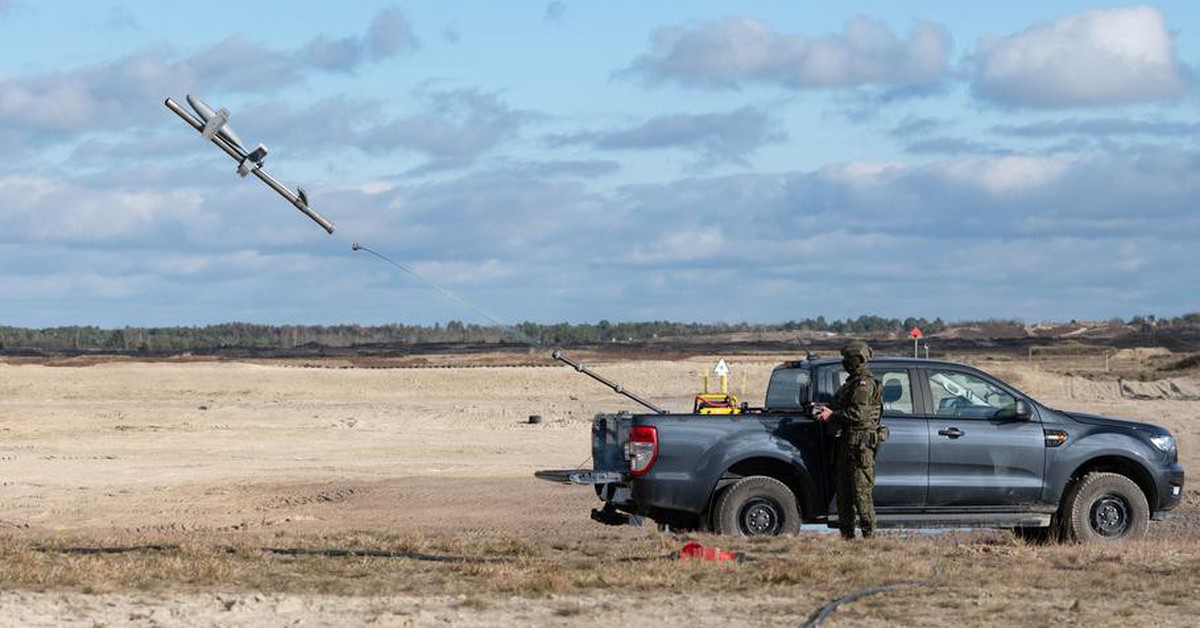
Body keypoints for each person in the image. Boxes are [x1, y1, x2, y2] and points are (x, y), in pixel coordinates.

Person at [815, 339, 883, 539]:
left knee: (861, 495)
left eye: (847, 359)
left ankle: (869, 537)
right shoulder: (851, 384)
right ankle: (847, 536)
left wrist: (832, 416)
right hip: (847, 445)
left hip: (860, 446)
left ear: (857, 360)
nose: (844, 363)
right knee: (844, 496)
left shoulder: (864, 384)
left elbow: (858, 414)